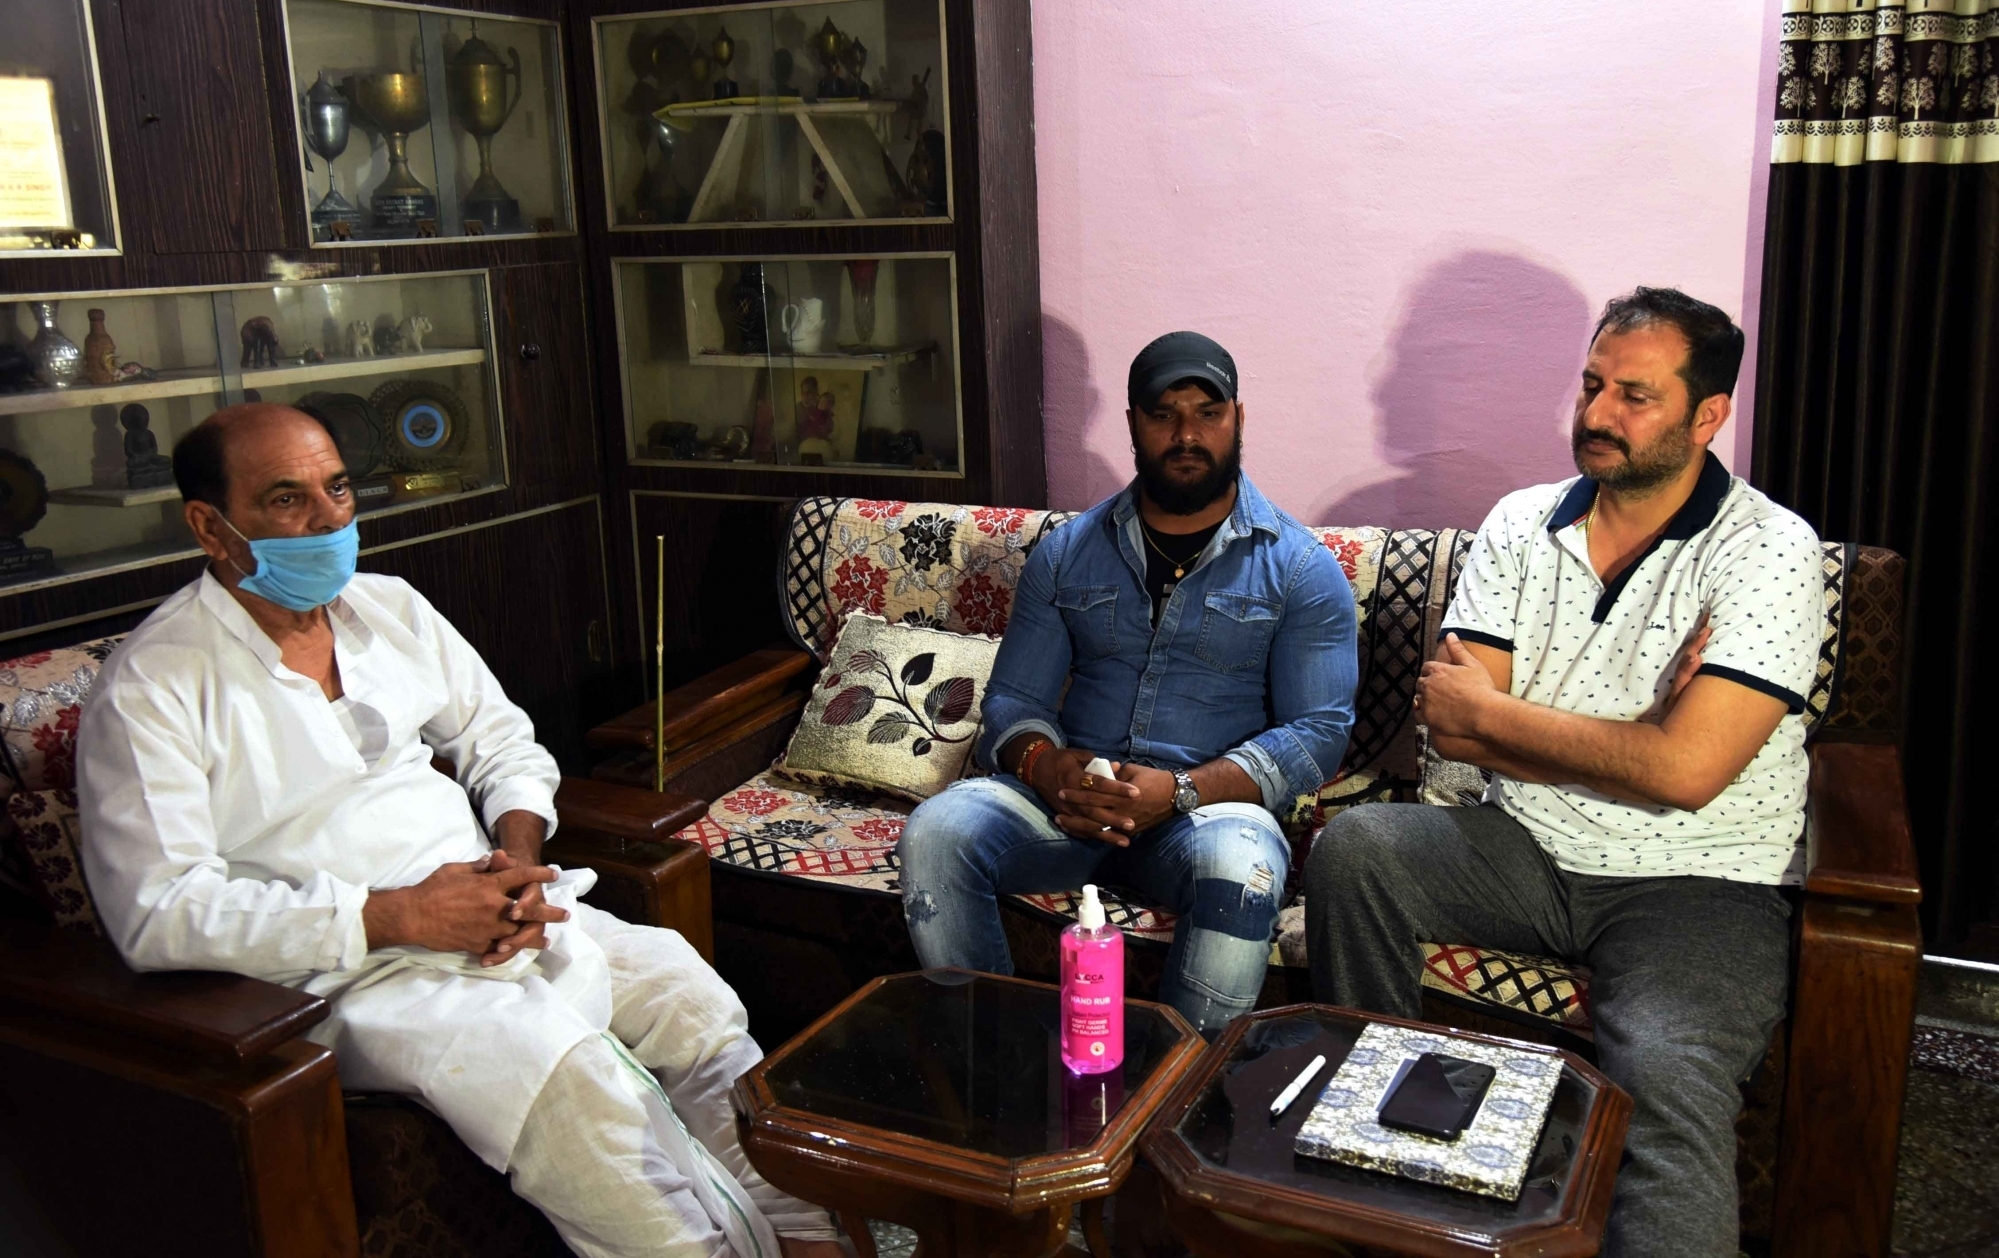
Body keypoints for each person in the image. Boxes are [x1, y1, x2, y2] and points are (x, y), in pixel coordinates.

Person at [77, 403, 844, 1258]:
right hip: (350, 972)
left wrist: (516, 864)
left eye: (338, 489)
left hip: (494, 907)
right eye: (287, 500)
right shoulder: (154, 685)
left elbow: (502, 740)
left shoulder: (389, 609)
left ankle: (808, 1239)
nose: (329, 520)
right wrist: (401, 914)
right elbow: (158, 911)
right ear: (209, 526)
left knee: (685, 993)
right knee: (561, 1074)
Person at [1304, 289, 1823, 1258]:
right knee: (1358, 849)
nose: (1596, 412)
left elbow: (1688, 775)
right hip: (1524, 845)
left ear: (1707, 415)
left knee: (1663, 1072)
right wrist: (1643, 734)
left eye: (1635, 395)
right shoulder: (1520, 522)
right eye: (1591, 385)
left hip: (1698, 880)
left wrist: (1523, 723)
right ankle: (1375, 1163)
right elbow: (1456, 727)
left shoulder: (1768, 549)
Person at [897, 332, 1358, 1034]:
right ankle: (998, 1069)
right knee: (937, 832)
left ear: (1238, 418)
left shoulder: (1298, 568)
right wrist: (1046, 766)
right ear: (1133, 423)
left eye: (1207, 413)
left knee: (1244, 870)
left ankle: (1174, 1090)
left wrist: (1179, 791)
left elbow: (1319, 733)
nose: (1186, 435)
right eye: (1163, 414)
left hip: (1205, 817)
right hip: (1070, 809)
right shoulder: (1066, 551)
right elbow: (1014, 701)